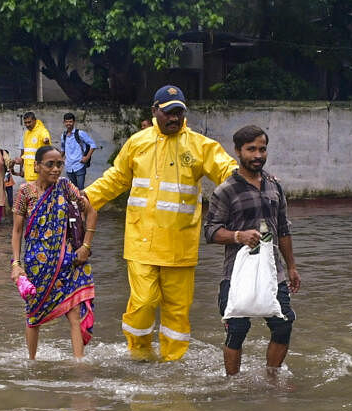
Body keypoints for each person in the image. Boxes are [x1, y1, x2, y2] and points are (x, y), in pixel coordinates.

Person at [84, 85, 237, 362]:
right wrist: (85, 199)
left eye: (179, 112)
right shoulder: (138, 142)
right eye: (168, 113)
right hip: (141, 241)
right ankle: (139, 354)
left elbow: (227, 171)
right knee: (142, 302)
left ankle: (173, 363)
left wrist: (249, 182)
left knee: (177, 310)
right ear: (155, 111)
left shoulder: (201, 146)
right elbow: (116, 178)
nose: (174, 118)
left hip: (181, 245)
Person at [203, 125, 302, 377]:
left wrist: (291, 266)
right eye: (251, 149)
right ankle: (232, 384)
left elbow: (283, 229)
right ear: (238, 151)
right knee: (237, 329)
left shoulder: (274, 186)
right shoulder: (226, 190)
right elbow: (211, 232)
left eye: (262, 149)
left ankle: (272, 378)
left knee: (283, 325)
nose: (258, 155)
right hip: (236, 271)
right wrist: (239, 236)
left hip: (273, 271)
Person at [10, 145, 99, 361]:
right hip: (36, 266)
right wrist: (16, 264)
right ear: (37, 166)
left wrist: (85, 247)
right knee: (33, 316)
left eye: (59, 164)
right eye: (50, 164)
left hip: (67, 262)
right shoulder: (25, 192)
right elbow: (17, 230)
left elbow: (91, 212)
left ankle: (79, 364)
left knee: (74, 313)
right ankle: (32, 362)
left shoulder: (66, 187)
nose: (56, 169)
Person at [60, 112, 97, 189]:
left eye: (70, 121)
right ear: (64, 122)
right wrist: (58, 160)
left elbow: (93, 145)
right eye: (66, 122)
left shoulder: (80, 133)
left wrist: (86, 157)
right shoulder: (63, 136)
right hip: (69, 167)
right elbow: (63, 149)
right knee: (73, 190)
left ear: (74, 122)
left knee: (80, 190)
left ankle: (83, 201)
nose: (68, 123)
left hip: (79, 165)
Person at [13, 112, 51, 183]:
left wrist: (46, 140)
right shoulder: (26, 134)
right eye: (25, 123)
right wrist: (21, 159)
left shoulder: (42, 131)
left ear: (35, 120)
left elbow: (45, 137)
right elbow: (27, 153)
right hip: (29, 174)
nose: (27, 125)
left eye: (29, 122)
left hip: (39, 174)